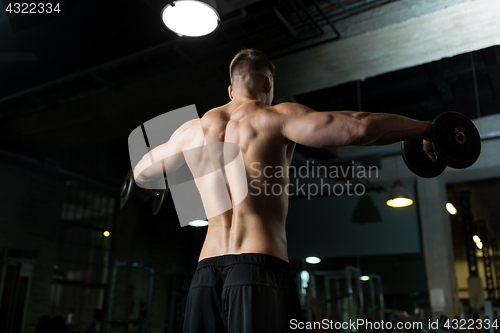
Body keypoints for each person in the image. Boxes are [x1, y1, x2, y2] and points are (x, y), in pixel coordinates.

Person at [133, 49, 437, 333]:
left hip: (205, 276)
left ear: (230, 89)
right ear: (268, 82)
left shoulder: (190, 131)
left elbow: (143, 170)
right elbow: (358, 127)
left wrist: (146, 184)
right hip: (257, 270)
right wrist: (425, 128)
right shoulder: (275, 117)